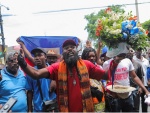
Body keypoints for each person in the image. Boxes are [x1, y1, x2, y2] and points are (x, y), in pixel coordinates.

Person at [17, 39, 108, 112]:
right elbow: (36, 74)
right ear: (62, 53)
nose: (70, 49)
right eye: (66, 48)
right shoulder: (57, 67)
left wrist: (114, 61)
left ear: (76, 50)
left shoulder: (87, 65)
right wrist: (22, 62)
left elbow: (105, 75)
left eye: (72, 47)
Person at [102, 42, 149, 112]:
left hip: (127, 96)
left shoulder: (127, 61)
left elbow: (134, 76)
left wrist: (145, 90)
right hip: (114, 97)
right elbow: (105, 78)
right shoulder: (107, 63)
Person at [25, 47, 57, 112]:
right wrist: (30, 110)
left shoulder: (54, 70)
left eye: (39, 55)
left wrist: (55, 80)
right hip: (38, 108)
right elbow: (29, 92)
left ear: (45, 57)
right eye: (35, 56)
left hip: (53, 108)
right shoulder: (30, 72)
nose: (37, 58)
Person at [81, 46, 105, 112]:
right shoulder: (81, 69)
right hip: (87, 99)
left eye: (93, 56)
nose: (92, 58)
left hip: (99, 99)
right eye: (89, 56)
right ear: (84, 57)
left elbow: (102, 81)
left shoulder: (99, 67)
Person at [126, 47, 144, 112]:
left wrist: (140, 88)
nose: (129, 52)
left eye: (131, 51)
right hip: (126, 89)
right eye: (128, 51)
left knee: (135, 109)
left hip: (135, 89)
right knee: (127, 108)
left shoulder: (138, 65)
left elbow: (141, 77)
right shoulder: (123, 64)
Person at [133, 47, 150, 112]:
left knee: (145, 103)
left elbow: (148, 71)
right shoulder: (133, 60)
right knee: (136, 105)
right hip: (137, 85)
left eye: (140, 50)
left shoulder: (146, 61)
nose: (139, 51)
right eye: (137, 50)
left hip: (145, 84)